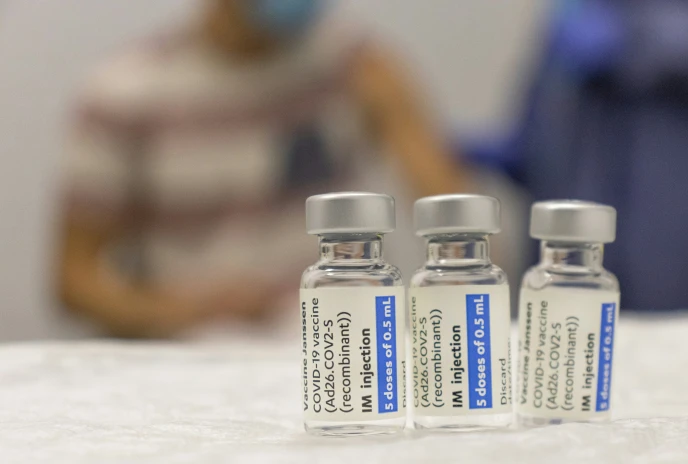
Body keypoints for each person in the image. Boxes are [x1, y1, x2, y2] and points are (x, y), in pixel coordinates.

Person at [56, 0, 466, 337]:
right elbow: (74, 281)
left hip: (340, 331)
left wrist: (448, 301)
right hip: (194, 353)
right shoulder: (125, 93)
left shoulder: (351, 63)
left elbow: (448, 203)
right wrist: (189, 309)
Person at [468, 0, 688, 310]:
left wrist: (636, 38)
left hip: (669, 201)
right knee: (561, 342)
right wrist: (525, 144)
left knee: (669, 347)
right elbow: (560, 77)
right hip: (568, 218)